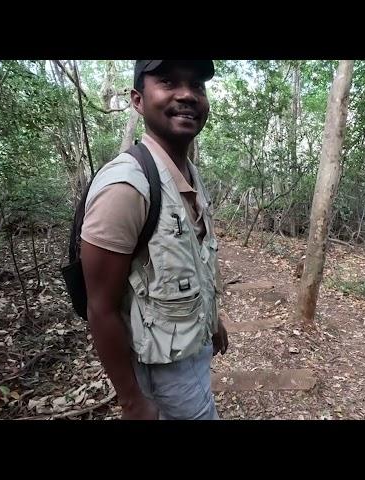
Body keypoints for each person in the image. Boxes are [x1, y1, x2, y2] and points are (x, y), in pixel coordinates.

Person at [80, 60, 228, 420]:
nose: (187, 95)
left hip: (192, 352)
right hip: (161, 375)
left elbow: (190, 258)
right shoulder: (126, 187)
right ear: (137, 100)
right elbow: (100, 308)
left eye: (197, 85)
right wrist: (132, 401)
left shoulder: (186, 173)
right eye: (167, 81)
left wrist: (212, 321)